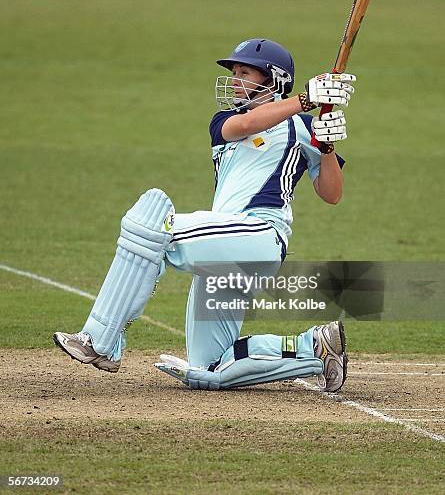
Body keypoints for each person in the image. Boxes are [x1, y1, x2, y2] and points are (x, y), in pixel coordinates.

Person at [54, 38, 355, 392]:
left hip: (259, 235)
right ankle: (315, 348)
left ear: (274, 79)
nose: (235, 79)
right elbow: (248, 127)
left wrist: (328, 146)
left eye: (245, 72)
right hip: (225, 246)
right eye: (235, 72)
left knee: (151, 224)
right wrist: (305, 100)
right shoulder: (227, 121)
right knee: (210, 366)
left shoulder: (301, 128)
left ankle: (99, 341)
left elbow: (331, 193)